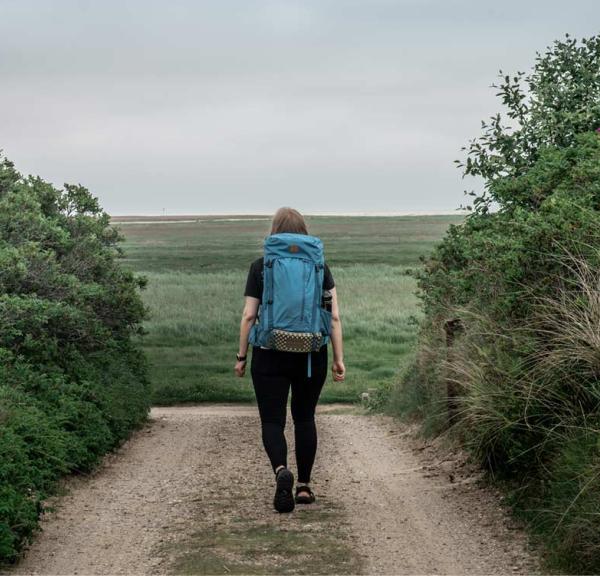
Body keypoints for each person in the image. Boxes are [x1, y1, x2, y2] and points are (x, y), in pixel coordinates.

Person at [234, 207, 346, 513]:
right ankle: (305, 487)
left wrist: (241, 356)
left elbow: (248, 316)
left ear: (275, 232)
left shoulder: (261, 266)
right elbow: (333, 316)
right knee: (305, 417)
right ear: (304, 231)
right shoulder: (320, 267)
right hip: (311, 353)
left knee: (272, 420)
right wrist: (338, 358)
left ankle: (281, 470)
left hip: (269, 353)